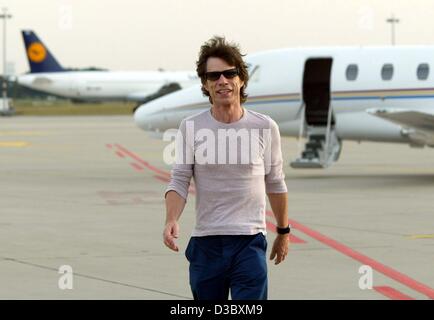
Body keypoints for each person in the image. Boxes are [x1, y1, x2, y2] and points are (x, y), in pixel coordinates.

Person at [163, 36, 290, 300]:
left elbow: (275, 182)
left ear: (241, 79)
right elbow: (179, 179)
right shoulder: (191, 127)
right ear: (205, 84)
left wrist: (283, 230)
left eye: (230, 73)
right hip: (206, 242)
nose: (222, 81)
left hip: (249, 241)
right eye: (214, 76)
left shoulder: (265, 127)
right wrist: (171, 219)